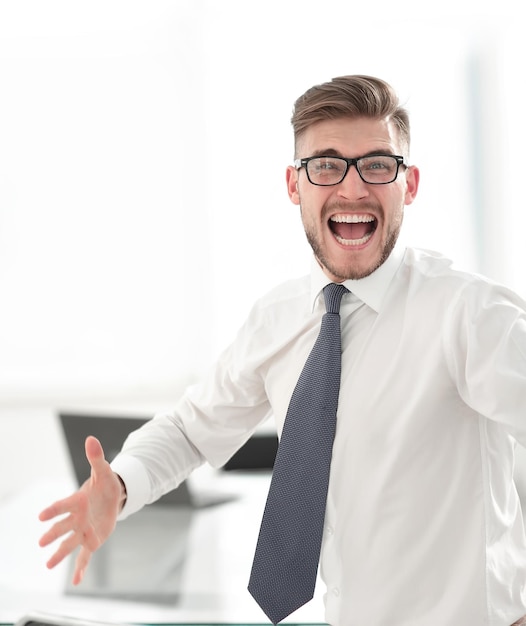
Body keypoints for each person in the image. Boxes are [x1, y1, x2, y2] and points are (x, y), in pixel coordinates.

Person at [39, 75, 526, 626]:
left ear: (408, 184)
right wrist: (122, 484)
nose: (352, 188)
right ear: (295, 186)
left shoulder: (469, 314)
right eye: (325, 165)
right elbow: (190, 429)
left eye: (377, 165)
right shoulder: (279, 318)